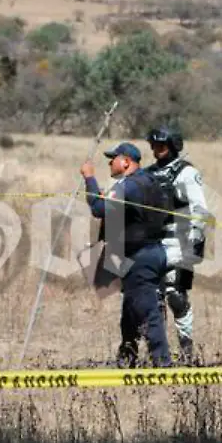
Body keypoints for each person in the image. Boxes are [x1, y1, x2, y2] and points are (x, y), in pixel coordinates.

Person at [80, 142, 174, 368]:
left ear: (126, 162)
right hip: (153, 252)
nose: (110, 163)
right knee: (131, 309)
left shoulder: (129, 185)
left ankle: (163, 365)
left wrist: (89, 179)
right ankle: (127, 358)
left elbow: (98, 209)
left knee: (148, 311)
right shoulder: (149, 181)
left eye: (113, 159)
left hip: (140, 257)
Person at [144, 126, 210, 366]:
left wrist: (196, 233)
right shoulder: (148, 173)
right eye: (153, 145)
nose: (156, 150)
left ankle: (186, 347)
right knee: (152, 297)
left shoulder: (186, 173)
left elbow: (199, 207)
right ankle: (158, 352)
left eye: (161, 145)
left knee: (175, 294)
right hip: (152, 242)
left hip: (179, 242)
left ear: (172, 146)